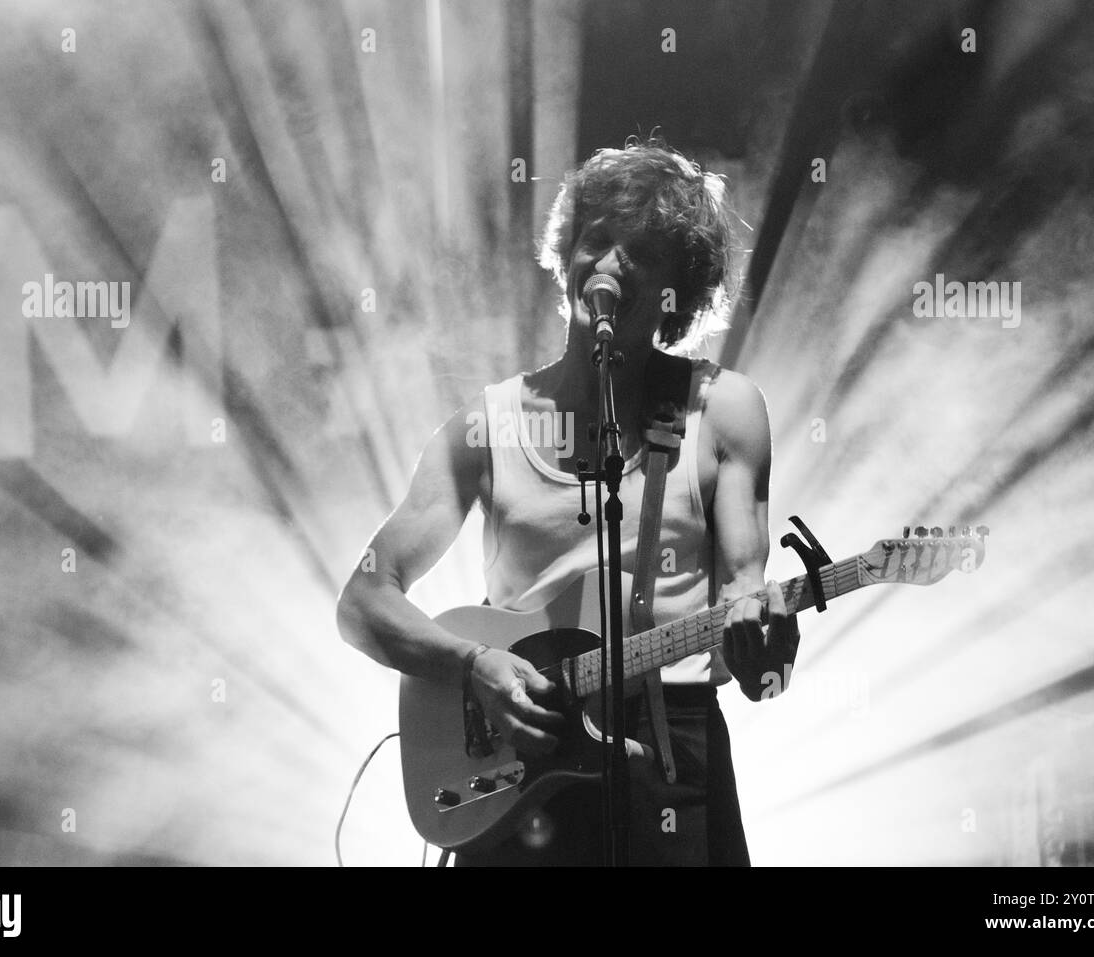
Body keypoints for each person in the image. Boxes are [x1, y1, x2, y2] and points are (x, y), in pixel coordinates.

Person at [336, 135, 800, 866]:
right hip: (517, 766)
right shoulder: (486, 427)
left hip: (670, 758)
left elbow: (747, 588)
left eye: (640, 252)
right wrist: (471, 666)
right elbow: (363, 598)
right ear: (566, 251)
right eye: (597, 239)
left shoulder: (724, 410)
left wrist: (763, 643)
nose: (609, 265)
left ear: (678, 291)